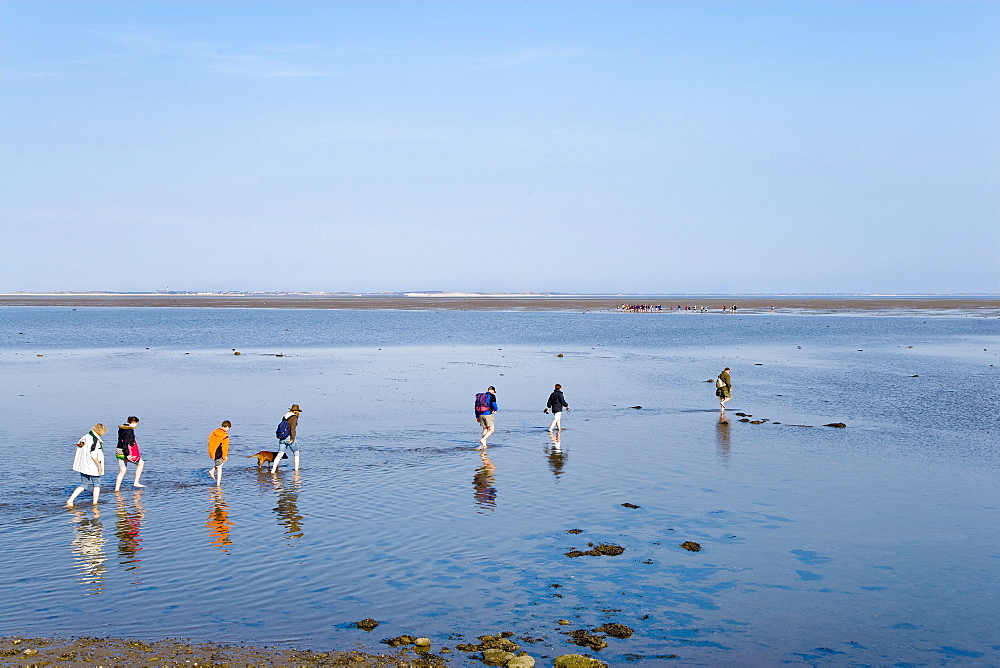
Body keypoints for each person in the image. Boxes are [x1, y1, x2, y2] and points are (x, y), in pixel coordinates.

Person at [68, 424, 107, 506]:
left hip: (83, 465)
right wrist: (99, 466)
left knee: (83, 485)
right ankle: (95, 503)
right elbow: (93, 454)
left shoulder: (85, 437)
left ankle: (70, 500)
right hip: (92, 466)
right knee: (97, 485)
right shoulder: (95, 440)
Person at [114, 416, 145, 491]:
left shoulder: (122, 429)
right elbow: (125, 443)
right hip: (125, 452)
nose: (136, 426)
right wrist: (127, 454)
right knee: (141, 463)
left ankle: (117, 489)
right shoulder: (129, 431)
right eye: (137, 424)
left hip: (118, 450)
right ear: (134, 422)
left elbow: (122, 441)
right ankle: (136, 482)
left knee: (122, 471)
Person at [272, 404, 302, 473]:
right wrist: (292, 438)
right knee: (296, 453)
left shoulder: (285, 416)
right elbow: (292, 429)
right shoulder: (294, 417)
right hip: (289, 437)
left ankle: (273, 471)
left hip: (282, 437)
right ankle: (296, 471)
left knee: (280, 453)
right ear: (296, 411)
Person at [207, 420, 231, 486]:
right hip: (219, 452)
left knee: (219, 465)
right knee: (220, 468)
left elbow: (209, 441)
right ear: (227, 427)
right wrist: (225, 456)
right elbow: (225, 447)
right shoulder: (225, 435)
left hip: (213, 451)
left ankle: (212, 470)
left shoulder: (213, 432)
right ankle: (218, 484)